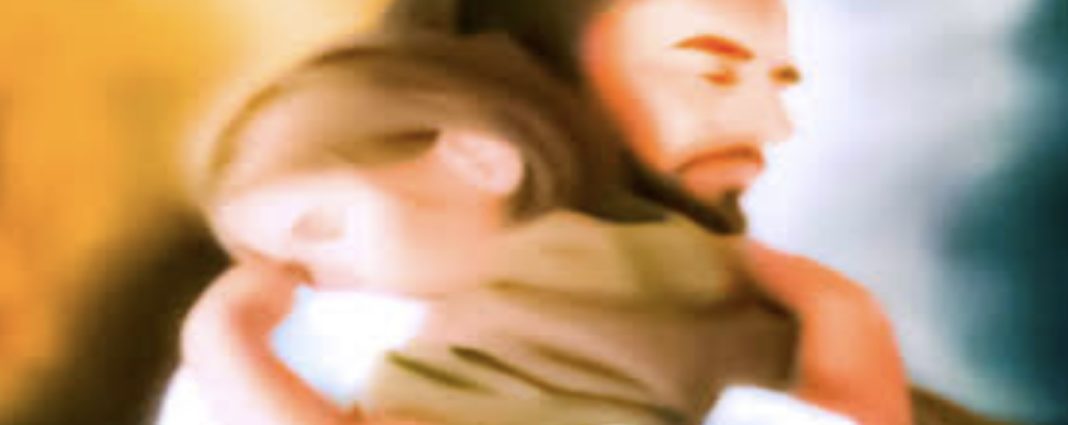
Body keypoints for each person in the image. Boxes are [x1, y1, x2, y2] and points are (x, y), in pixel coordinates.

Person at [158, 31, 834, 425]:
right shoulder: (620, 258)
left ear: (478, 160)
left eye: (322, 227)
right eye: (296, 269)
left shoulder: (557, 285)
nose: (316, 282)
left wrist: (225, 343)